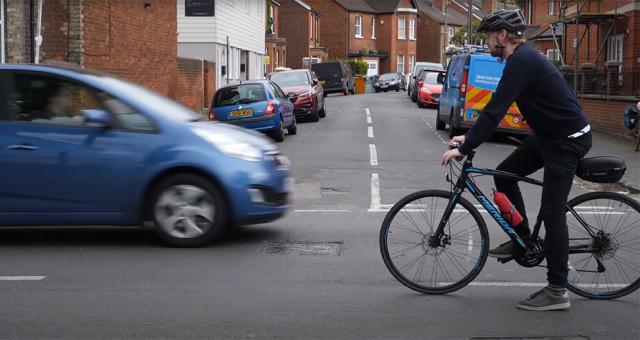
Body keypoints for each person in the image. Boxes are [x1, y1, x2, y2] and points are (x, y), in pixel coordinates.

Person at [441, 9, 592, 311]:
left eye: (488, 36)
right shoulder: (521, 59)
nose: (486, 43)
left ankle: (557, 291)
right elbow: (494, 109)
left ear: (502, 35)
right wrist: (468, 137)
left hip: (567, 140)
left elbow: (497, 108)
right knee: (505, 174)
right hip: (550, 135)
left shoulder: (522, 61)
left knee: (552, 213)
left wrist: (467, 144)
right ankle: (523, 238)